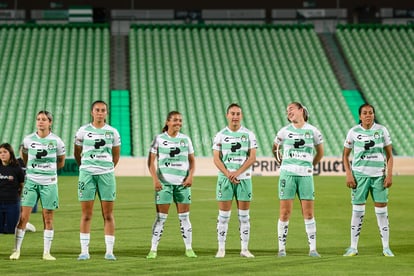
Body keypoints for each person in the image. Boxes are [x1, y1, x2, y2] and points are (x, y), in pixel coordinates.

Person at [9, 111, 66, 260]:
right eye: (38, 119)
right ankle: (16, 250)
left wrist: (48, 171)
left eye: (44, 119)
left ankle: (46, 252)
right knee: (23, 217)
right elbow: (25, 157)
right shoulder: (28, 140)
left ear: (50, 122)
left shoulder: (57, 141)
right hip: (31, 182)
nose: (40, 122)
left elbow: (61, 161)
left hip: (50, 183)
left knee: (48, 218)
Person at [272, 102, 324, 258]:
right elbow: (275, 148)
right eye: (287, 110)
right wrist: (280, 162)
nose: (289, 112)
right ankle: (281, 249)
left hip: (305, 176)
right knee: (285, 212)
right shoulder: (284, 131)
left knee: (308, 213)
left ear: (301, 110)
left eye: (291, 109)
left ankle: (313, 249)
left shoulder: (313, 131)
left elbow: (320, 153)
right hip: (287, 175)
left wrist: (310, 166)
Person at [342, 103, 394, 257]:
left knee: (382, 211)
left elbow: (390, 155)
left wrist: (389, 174)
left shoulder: (381, 130)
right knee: (357, 211)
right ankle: (353, 247)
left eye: (370, 112)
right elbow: (345, 155)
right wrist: (349, 174)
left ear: (373, 114)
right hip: (359, 176)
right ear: (360, 116)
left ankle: (386, 247)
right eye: (364, 113)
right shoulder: (353, 132)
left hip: (379, 175)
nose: (368, 115)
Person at [146, 111, 197, 259]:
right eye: (175, 120)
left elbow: (192, 161)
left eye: (180, 120)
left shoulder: (186, 140)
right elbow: (150, 162)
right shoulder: (159, 139)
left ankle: (189, 249)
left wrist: (190, 176)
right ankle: (153, 249)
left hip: (183, 185)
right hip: (164, 185)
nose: (178, 123)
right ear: (168, 122)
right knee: (161, 218)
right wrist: (155, 180)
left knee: (185, 218)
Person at [74, 100, 121, 261]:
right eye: (97, 110)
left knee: (108, 214)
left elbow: (116, 156)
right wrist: (86, 167)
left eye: (103, 110)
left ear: (106, 113)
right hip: (87, 174)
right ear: (91, 112)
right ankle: (84, 251)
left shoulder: (112, 132)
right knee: (86, 214)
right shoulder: (82, 131)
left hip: (106, 174)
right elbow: (77, 153)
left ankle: (109, 251)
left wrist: (105, 167)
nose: (100, 113)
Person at [212, 103, 257, 258]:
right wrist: (228, 173)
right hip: (225, 179)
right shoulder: (220, 135)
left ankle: (244, 249)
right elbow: (216, 159)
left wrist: (237, 173)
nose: (235, 116)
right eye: (233, 113)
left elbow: (252, 158)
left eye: (238, 113)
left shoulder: (249, 135)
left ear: (241, 116)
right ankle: (221, 249)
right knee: (223, 216)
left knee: (244, 216)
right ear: (227, 115)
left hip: (244, 179)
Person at [0, 143, 25, 234]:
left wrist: (17, 197)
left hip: (12, 203)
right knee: (1, 231)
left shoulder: (17, 168)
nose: (2, 154)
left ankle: (25, 225)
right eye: (0, 152)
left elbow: (21, 185)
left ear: (10, 153)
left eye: (5, 152)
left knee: (11, 231)